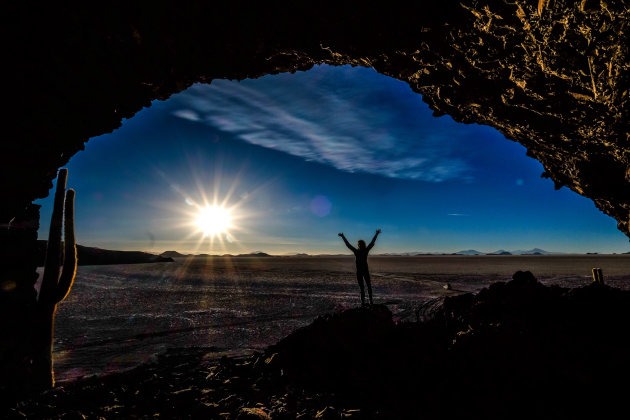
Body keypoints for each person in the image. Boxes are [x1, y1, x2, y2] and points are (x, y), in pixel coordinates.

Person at [338, 229, 381, 306]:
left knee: (368, 286)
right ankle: (364, 302)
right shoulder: (358, 251)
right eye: (359, 245)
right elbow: (348, 245)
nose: (360, 246)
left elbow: (372, 242)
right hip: (360, 272)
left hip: (364, 271)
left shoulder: (364, 250)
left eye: (361, 244)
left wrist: (376, 234)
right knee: (363, 288)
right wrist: (343, 237)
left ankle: (369, 301)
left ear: (362, 245)